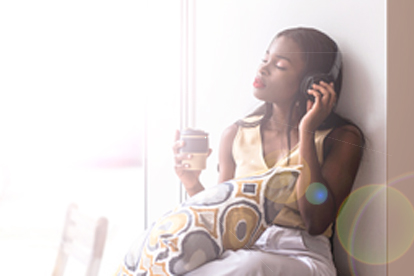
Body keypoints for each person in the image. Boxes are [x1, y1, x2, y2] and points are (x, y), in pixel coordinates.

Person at [173, 27, 365, 276]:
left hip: (301, 258)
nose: (263, 69)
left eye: (280, 65)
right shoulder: (236, 135)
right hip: (242, 254)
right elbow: (222, 221)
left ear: (311, 83)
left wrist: (307, 131)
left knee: (249, 266)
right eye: (265, 60)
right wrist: (192, 184)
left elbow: (316, 222)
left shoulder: (340, 139)